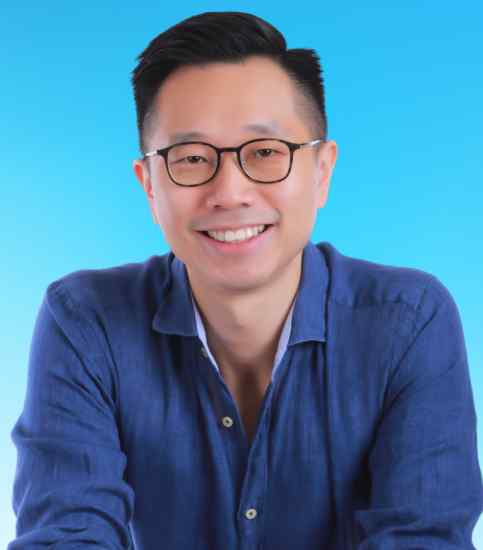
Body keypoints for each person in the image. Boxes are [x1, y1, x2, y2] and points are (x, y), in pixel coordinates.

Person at [8, 10, 483, 550]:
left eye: (264, 153)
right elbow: (66, 535)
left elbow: (422, 540)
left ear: (322, 171)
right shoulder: (85, 320)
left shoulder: (409, 320)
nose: (230, 192)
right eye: (190, 158)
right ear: (148, 187)